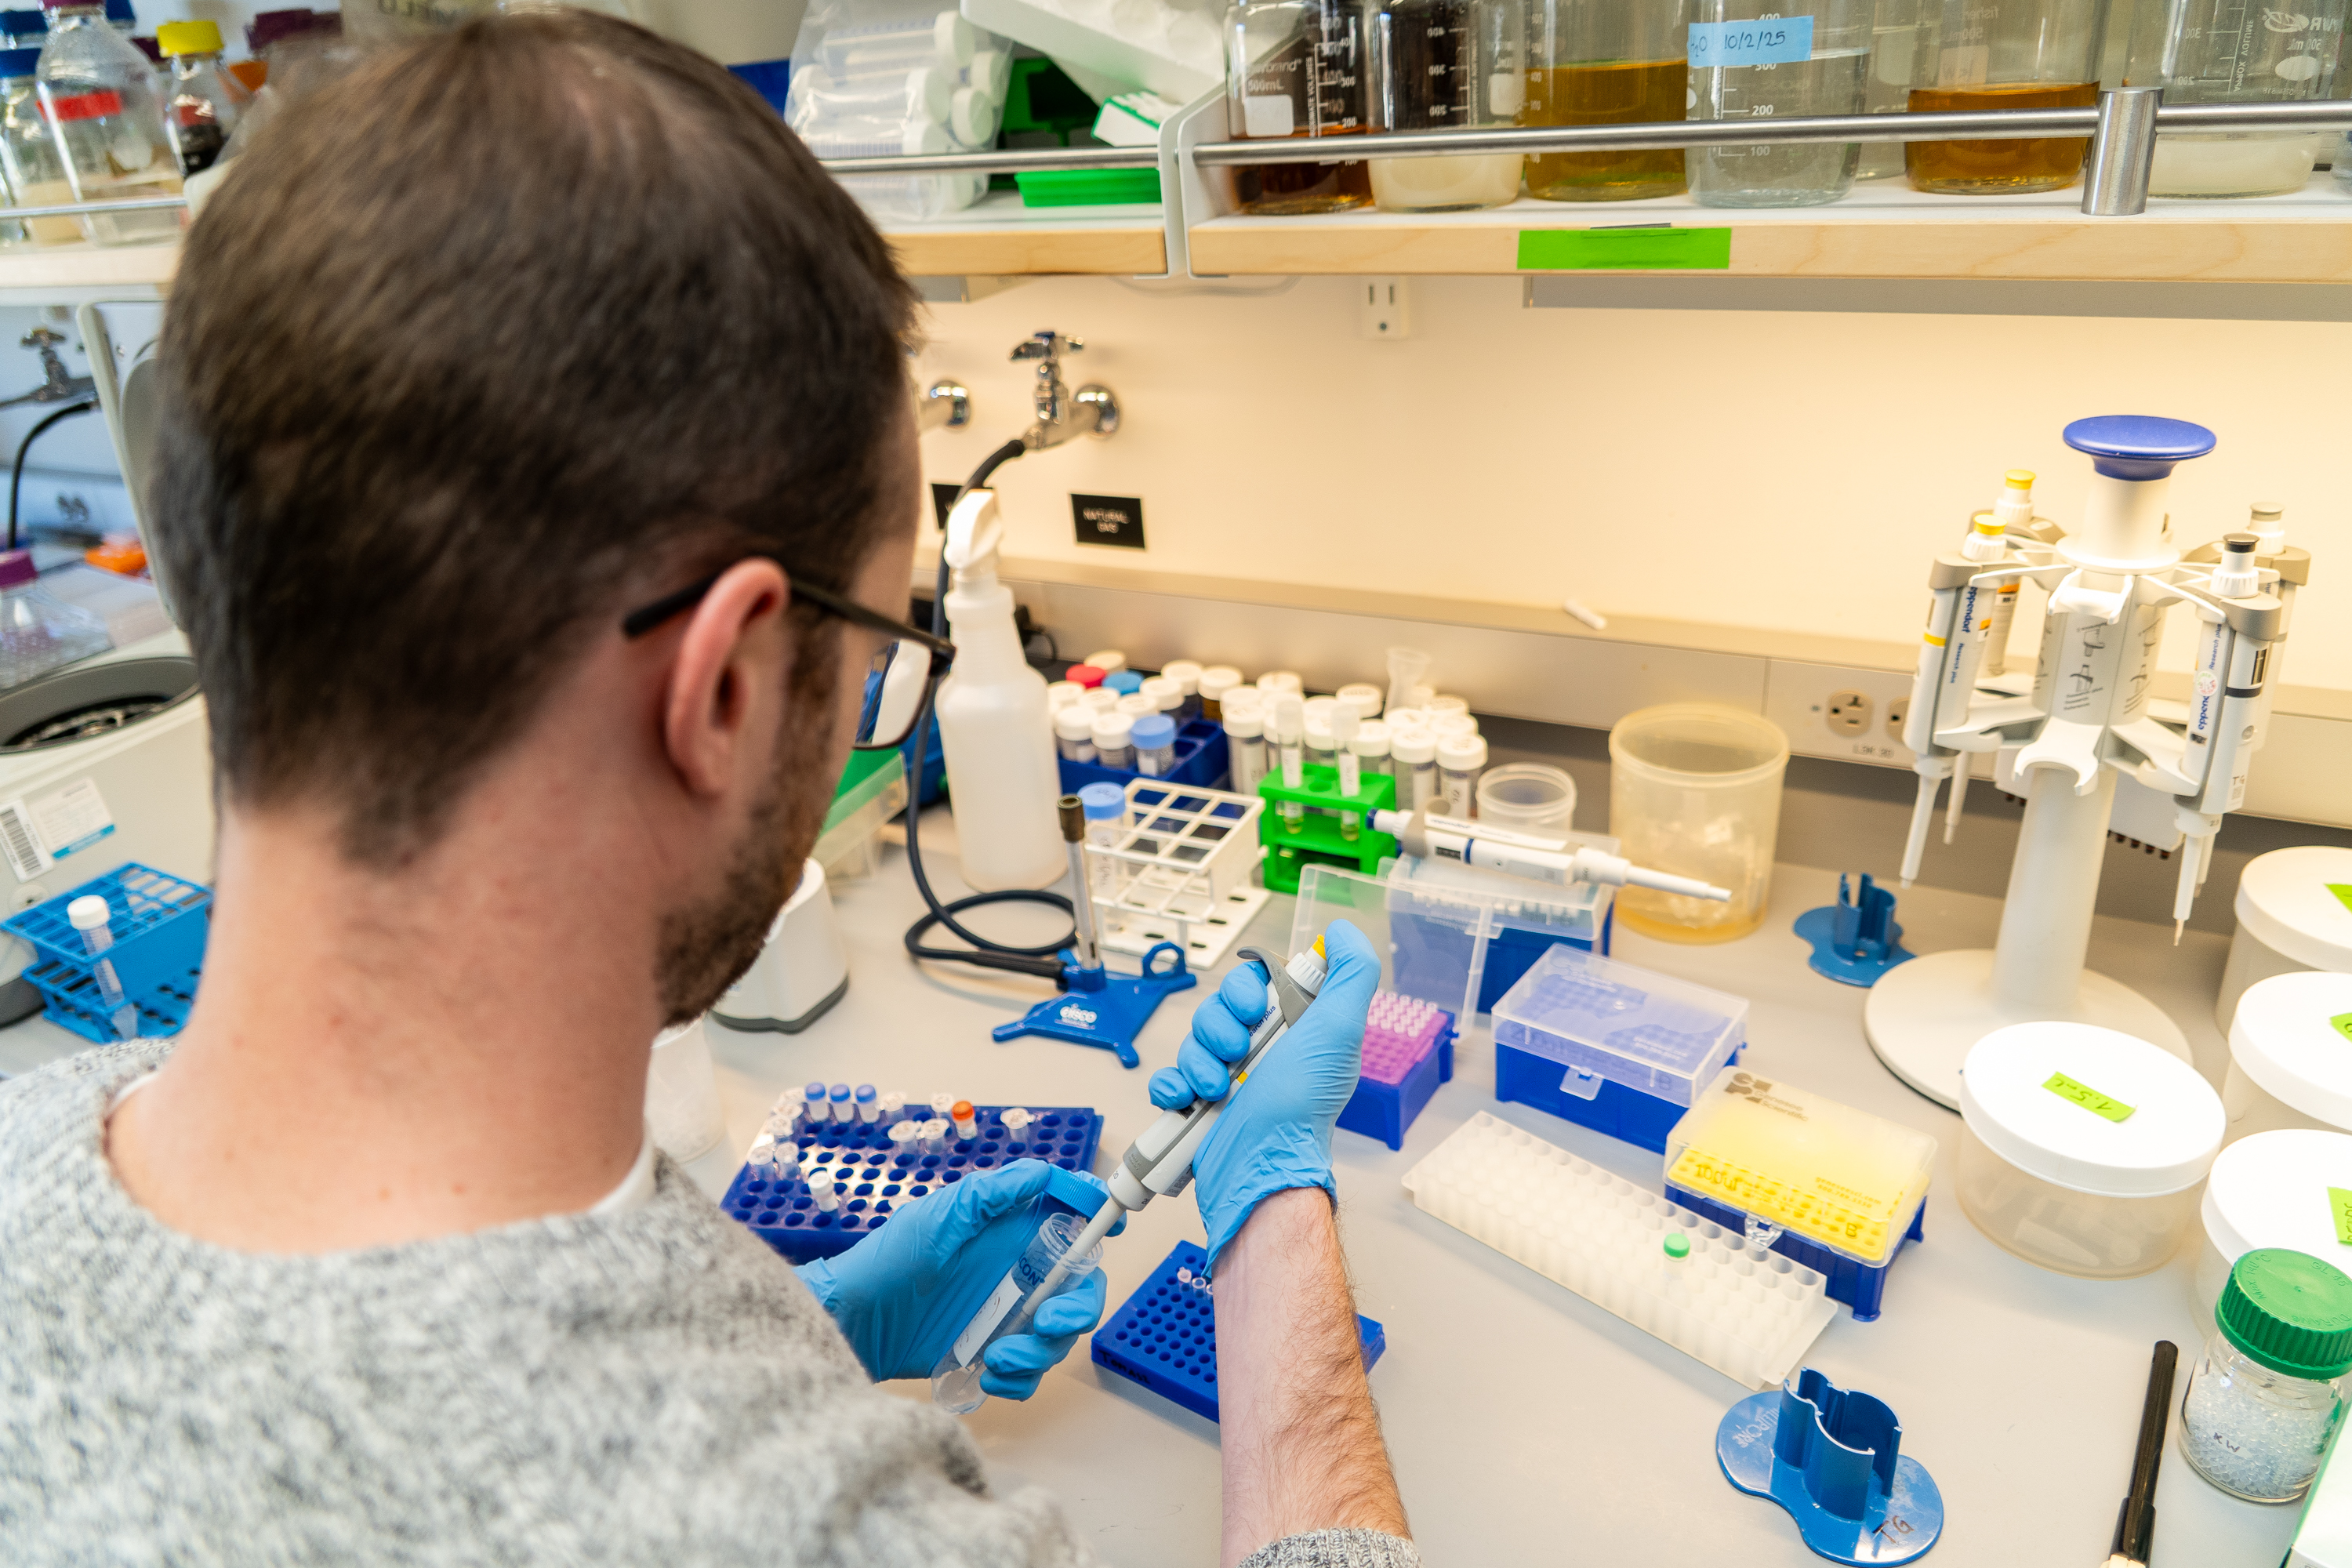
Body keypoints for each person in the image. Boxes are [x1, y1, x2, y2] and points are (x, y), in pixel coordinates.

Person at [0, 13, 1415, 1566]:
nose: (875, 694)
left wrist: (793, 1331)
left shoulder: (33, 1142)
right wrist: (1273, 1205)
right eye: (885, 631)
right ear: (726, 686)